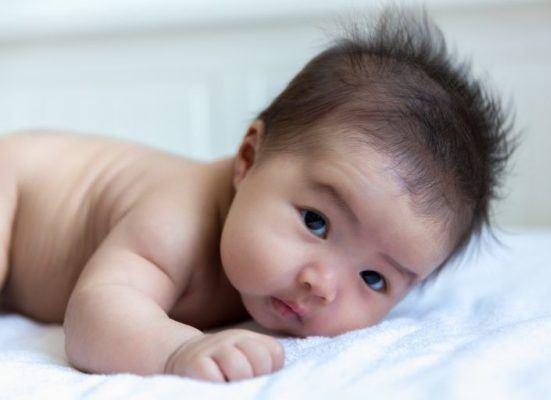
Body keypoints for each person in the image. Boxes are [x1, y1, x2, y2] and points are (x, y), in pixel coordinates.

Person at [0, 6, 516, 382]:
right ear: (249, 159)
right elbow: (94, 316)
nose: (322, 285)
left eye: (375, 278)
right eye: (316, 222)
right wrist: (178, 350)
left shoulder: (270, 271)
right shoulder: (176, 219)